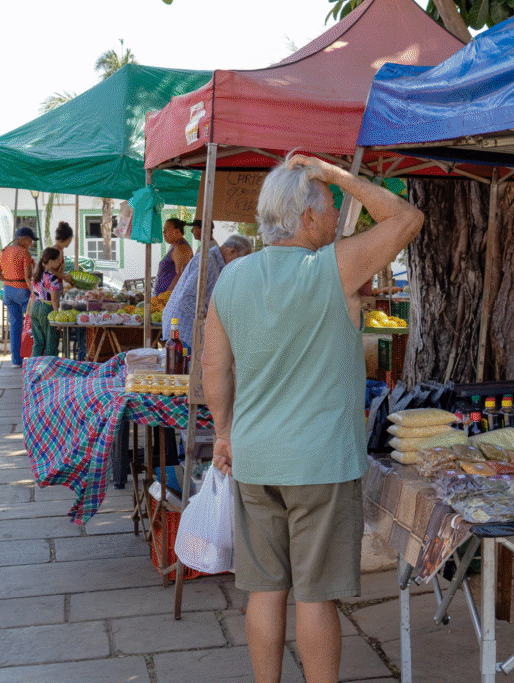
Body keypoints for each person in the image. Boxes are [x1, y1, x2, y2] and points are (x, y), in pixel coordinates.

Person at [203, 154, 422, 683]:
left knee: (265, 591)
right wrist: (342, 176)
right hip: (321, 462)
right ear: (307, 217)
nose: (334, 217)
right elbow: (407, 219)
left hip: (256, 458)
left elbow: (214, 367)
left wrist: (224, 432)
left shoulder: (231, 277)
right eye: (328, 208)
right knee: (317, 599)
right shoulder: (333, 268)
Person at [161, 224, 252, 350]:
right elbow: (186, 299)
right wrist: (211, 318)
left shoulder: (215, 263)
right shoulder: (207, 261)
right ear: (232, 251)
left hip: (184, 333)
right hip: (181, 333)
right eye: (239, 261)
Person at [0, 227, 36, 368]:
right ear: (23, 239)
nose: (31, 244)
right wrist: (35, 293)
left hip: (8, 290)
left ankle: (16, 361)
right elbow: (28, 278)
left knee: (15, 325)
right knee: (31, 324)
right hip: (22, 290)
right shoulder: (24, 253)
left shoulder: (3, 252)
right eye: (30, 240)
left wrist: (10, 279)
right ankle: (30, 358)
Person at [29, 247, 62, 357]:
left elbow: (33, 296)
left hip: (35, 308)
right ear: (51, 262)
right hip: (47, 309)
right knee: (51, 341)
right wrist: (57, 315)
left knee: (38, 342)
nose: (59, 263)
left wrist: (29, 313)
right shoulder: (52, 277)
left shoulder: (36, 275)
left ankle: (34, 369)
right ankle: (50, 370)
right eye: (58, 260)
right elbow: (54, 299)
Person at [153, 218, 192, 296]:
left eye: (166, 230)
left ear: (177, 231)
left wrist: (166, 297)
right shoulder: (175, 246)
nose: (163, 232)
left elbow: (181, 275)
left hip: (169, 301)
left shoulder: (181, 247)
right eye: (163, 230)